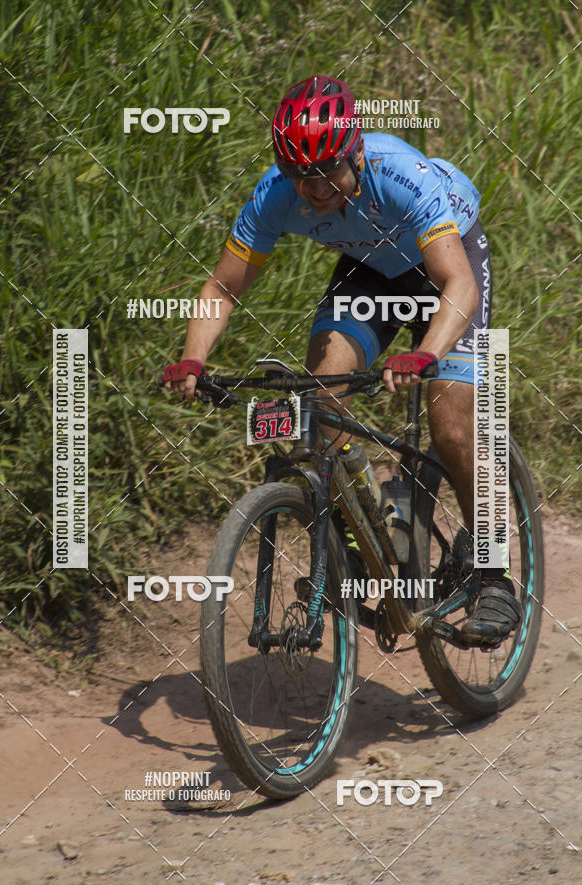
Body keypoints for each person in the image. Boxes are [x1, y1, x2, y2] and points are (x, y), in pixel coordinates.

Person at [163, 74, 519, 647]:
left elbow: (457, 283)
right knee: (321, 396)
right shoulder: (276, 194)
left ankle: (495, 573)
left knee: (451, 423)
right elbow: (222, 289)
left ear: (355, 150)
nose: (316, 187)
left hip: (446, 266)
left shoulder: (402, 176)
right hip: (371, 270)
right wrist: (193, 360)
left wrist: (426, 353)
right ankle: (365, 538)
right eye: (300, 173)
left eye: (328, 168)